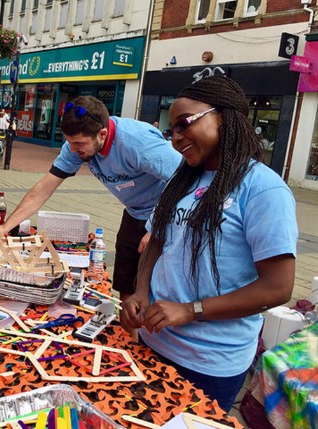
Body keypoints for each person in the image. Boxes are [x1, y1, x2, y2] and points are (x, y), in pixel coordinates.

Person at [121, 76, 297, 412]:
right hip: (153, 342)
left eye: (184, 124)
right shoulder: (184, 180)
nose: (175, 139)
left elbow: (278, 288)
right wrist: (141, 291)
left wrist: (190, 311)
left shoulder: (263, 189)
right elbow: (157, 241)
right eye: (170, 130)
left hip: (209, 363)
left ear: (224, 116)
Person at [0, 95, 181, 306]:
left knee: (154, 289)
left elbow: (186, 177)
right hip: (134, 212)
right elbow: (44, 188)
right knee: (125, 286)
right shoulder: (75, 146)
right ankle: (128, 337)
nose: (74, 150)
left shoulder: (139, 143)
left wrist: (158, 224)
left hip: (169, 212)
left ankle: (150, 337)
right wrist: (4, 228)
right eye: (69, 142)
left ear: (102, 134)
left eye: (79, 144)